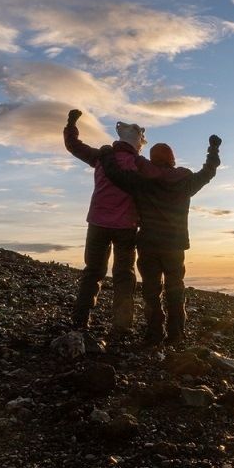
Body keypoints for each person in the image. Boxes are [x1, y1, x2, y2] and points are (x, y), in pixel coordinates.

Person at [99, 135, 221, 346]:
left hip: (149, 244)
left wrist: (108, 154)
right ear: (172, 160)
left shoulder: (142, 181)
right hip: (174, 246)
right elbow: (209, 171)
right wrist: (213, 149)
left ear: (151, 160)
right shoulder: (185, 182)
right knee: (175, 288)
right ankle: (176, 334)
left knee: (151, 291)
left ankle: (154, 333)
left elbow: (114, 174)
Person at [63, 109, 161, 339]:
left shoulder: (101, 157)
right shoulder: (140, 164)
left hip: (97, 223)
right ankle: (122, 325)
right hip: (126, 227)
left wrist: (71, 123)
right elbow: (163, 178)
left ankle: (80, 319)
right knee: (124, 275)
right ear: (137, 143)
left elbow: (74, 145)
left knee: (93, 272)